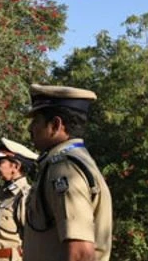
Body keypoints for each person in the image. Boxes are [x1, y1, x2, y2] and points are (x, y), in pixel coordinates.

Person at [23, 84, 112, 261]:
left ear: (56, 125)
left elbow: (80, 252)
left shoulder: (64, 169)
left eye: (37, 121)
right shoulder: (75, 161)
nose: (30, 128)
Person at [0, 138, 38, 261]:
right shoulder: (4, 195)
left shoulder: (25, 196)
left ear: (15, 166)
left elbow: (34, 239)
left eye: (0, 161)